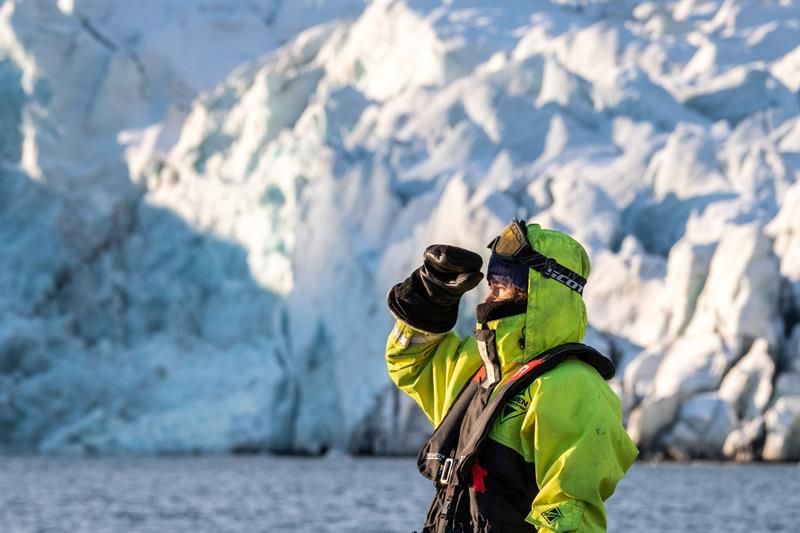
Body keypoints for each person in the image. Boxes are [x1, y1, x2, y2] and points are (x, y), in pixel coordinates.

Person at [385, 219, 638, 533]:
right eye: (490, 287)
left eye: (500, 288)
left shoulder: (571, 386)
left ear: (535, 295)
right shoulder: (481, 372)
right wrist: (429, 299)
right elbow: (411, 363)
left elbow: (568, 510)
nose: (487, 300)